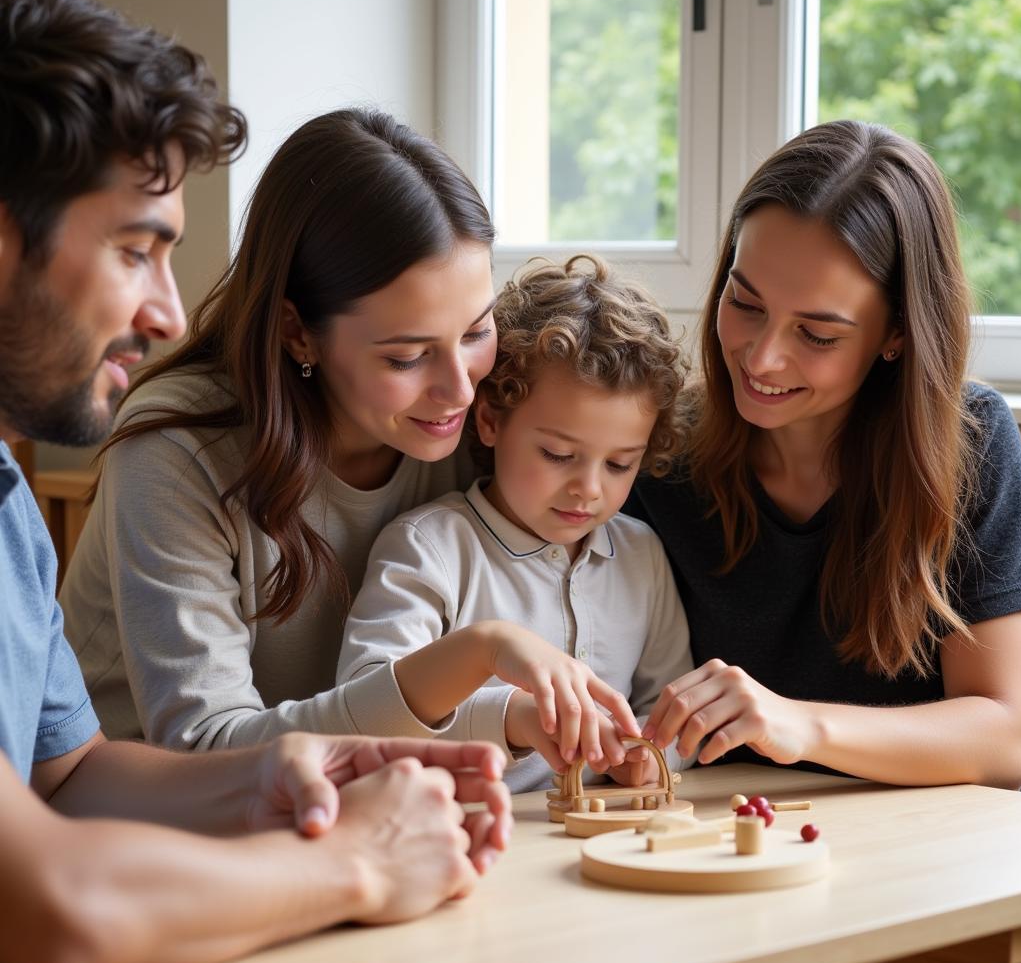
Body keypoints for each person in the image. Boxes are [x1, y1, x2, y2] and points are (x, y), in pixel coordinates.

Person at [0, 0, 510, 963]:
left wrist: (302, 770)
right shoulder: (172, 449)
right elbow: (53, 921)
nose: (171, 311)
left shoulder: (8, 500)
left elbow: (72, 772)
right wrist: (354, 863)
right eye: (136, 248)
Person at [58, 109, 632, 763]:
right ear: (299, 331)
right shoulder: (174, 451)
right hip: (153, 816)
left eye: (475, 330)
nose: (460, 389)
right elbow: (205, 750)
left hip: (353, 795)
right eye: (406, 357)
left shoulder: (488, 418)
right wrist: (471, 657)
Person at [623, 120, 1021, 792]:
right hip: (721, 844)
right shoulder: (658, 449)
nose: (762, 356)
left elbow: (1008, 736)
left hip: (911, 851)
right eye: (744, 301)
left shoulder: (973, 444)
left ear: (896, 333)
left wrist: (797, 724)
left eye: (816, 333)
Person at [335, 254, 695, 790]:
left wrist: (650, 751)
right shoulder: (428, 549)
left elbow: (670, 705)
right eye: (556, 454)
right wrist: (513, 718)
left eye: (620, 464)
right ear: (489, 421)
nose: (589, 489)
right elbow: (367, 713)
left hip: (606, 840)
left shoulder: (640, 554)